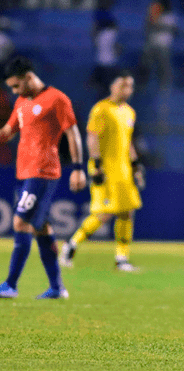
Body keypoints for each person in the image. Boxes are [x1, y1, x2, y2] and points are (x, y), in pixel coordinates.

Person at [0, 56, 86, 299]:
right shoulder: (21, 103)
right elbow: (7, 131)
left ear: (28, 77)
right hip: (25, 171)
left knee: (20, 222)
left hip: (43, 171)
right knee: (41, 227)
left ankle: (10, 285)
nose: (14, 91)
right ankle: (57, 287)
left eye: (16, 85)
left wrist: (79, 168)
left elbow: (73, 134)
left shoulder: (56, 99)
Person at [59, 71, 144, 272]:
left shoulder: (129, 112)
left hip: (123, 170)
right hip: (105, 169)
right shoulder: (101, 109)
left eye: (130, 86)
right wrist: (96, 165)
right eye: (123, 85)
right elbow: (92, 137)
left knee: (127, 213)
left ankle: (122, 258)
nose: (127, 90)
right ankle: (71, 245)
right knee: (103, 214)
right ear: (113, 87)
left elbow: (128, 141)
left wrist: (136, 165)